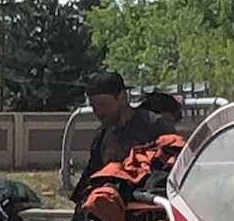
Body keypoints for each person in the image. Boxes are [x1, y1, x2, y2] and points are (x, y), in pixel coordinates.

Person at [74, 71, 172, 203]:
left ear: (122, 97)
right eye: (94, 107)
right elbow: (92, 176)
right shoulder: (101, 135)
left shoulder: (154, 126)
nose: (98, 113)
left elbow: (172, 166)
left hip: (148, 209)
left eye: (103, 105)